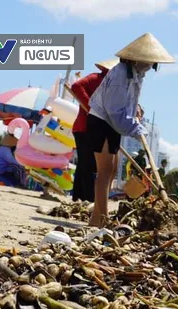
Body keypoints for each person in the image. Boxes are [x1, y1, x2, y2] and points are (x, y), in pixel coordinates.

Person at [85, 33, 175, 227]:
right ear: (138, 58)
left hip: (110, 122)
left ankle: (96, 219)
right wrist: (136, 129)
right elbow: (114, 110)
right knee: (104, 170)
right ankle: (102, 218)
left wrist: (136, 109)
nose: (150, 66)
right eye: (149, 62)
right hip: (101, 120)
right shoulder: (119, 74)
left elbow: (127, 101)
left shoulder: (135, 74)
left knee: (111, 170)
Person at [70, 58, 118, 202]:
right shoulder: (96, 78)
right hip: (84, 127)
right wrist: (92, 108)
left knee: (85, 163)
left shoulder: (114, 87)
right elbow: (76, 86)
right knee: (89, 164)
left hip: (94, 128)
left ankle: (78, 197)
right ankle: (88, 198)